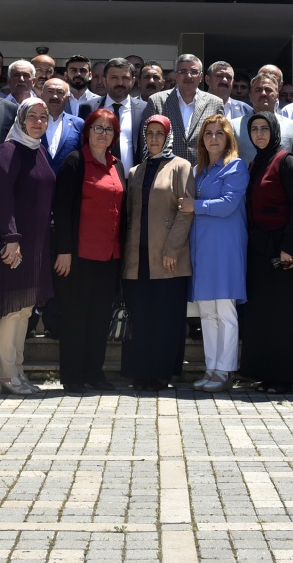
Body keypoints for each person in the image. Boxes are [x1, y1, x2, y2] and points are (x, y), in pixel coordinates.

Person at [238, 111, 293, 394]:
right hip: (258, 247)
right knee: (264, 314)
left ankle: (284, 377)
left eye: (264, 129)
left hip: (283, 248)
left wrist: (288, 247)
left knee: (285, 314)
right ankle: (265, 373)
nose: (259, 134)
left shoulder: (288, 161)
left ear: (274, 131)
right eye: (254, 129)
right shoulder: (255, 163)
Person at [51, 108, 125, 393]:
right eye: (98, 128)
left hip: (109, 256)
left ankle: (94, 373)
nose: (103, 134)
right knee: (75, 316)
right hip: (78, 256)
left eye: (109, 130)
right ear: (87, 131)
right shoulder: (74, 162)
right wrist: (64, 250)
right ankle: (72, 377)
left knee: (99, 318)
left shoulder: (116, 164)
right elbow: (62, 209)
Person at [0, 99, 56, 396]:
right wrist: (10, 238)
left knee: (25, 310)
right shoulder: (9, 150)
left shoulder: (38, 149)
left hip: (37, 243)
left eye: (43, 117)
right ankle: (4, 375)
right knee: (10, 310)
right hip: (15, 242)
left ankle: (17, 372)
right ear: (21, 119)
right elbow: (2, 198)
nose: (38, 122)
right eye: (32, 117)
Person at [121, 115, 195, 391]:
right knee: (140, 317)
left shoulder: (181, 167)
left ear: (168, 137)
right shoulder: (135, 171)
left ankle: (161, 373)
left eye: (159, 134)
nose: (153, 138)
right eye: (149, 133)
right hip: (137, 259)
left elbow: (185, 213)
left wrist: (172, 249)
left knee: (165, 317)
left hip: (167, 258)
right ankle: (140, 371)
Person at [175, 114, 248, 392]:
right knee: (207, 312)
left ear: (228, 138)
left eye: (219, 133)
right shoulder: (199, 170)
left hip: (226, 250)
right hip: (202, 249)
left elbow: (229, 204)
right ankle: (211, 368)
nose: (214, 138)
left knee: (225, 311)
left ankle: (226, 370)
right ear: (202, 139)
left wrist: (197, 206)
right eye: (208, 133)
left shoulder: (236, 167)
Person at [138, 55, 223, 163]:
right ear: (176, 75)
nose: (188, 76)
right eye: (183, 71)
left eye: (194, 71)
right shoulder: (156, 101)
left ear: (201, 76)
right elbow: (146, 143)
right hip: (166, 172)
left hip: (204, 173)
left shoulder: (215, 103)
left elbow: (222, 141)